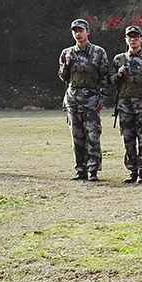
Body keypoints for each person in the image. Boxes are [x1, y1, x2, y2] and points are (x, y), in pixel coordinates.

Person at [58, 18, 109, 181]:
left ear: (88, 32)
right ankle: (80, 170)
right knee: (77, 136)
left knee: (92, 136)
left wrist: (103, 97)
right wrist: (66, 65)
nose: (78, 34)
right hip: (73, 99)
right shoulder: (67, 52)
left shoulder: (98, 52)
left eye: (81, 30)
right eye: (75, 31)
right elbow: (63, 77)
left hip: (91, 99)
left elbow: (105, 76)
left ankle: (93, 170)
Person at [110, 26, 142, 184]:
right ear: (126, 39)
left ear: (141, 39)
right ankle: (132, 170)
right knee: (128, 140)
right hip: (125, 107)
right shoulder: (119, 59)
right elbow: (111, 81)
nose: (133, 39)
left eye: (136, 36)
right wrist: (118, 75)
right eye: (130, 37)